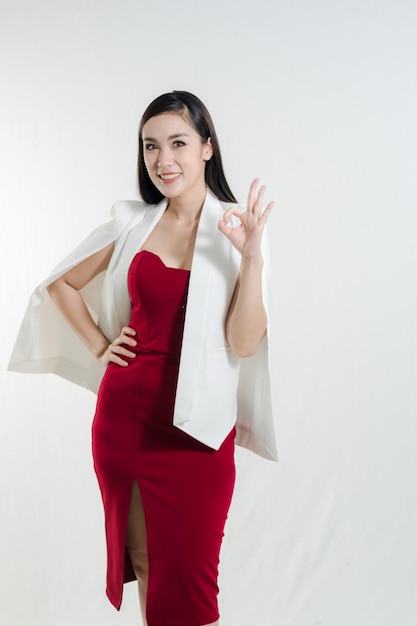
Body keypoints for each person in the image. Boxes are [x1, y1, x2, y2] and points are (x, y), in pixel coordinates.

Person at [8, 90, 278, 626]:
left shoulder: (237, 228)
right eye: (151, 146)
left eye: (178, 142)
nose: (162, 159)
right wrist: (99, 345)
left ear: (207, 147)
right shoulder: (133, 223)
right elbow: (60, 285)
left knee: (192, 584)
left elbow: (245, 343)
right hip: (126, 420)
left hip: (198, 433)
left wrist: (251, 260)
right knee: (147, 564)